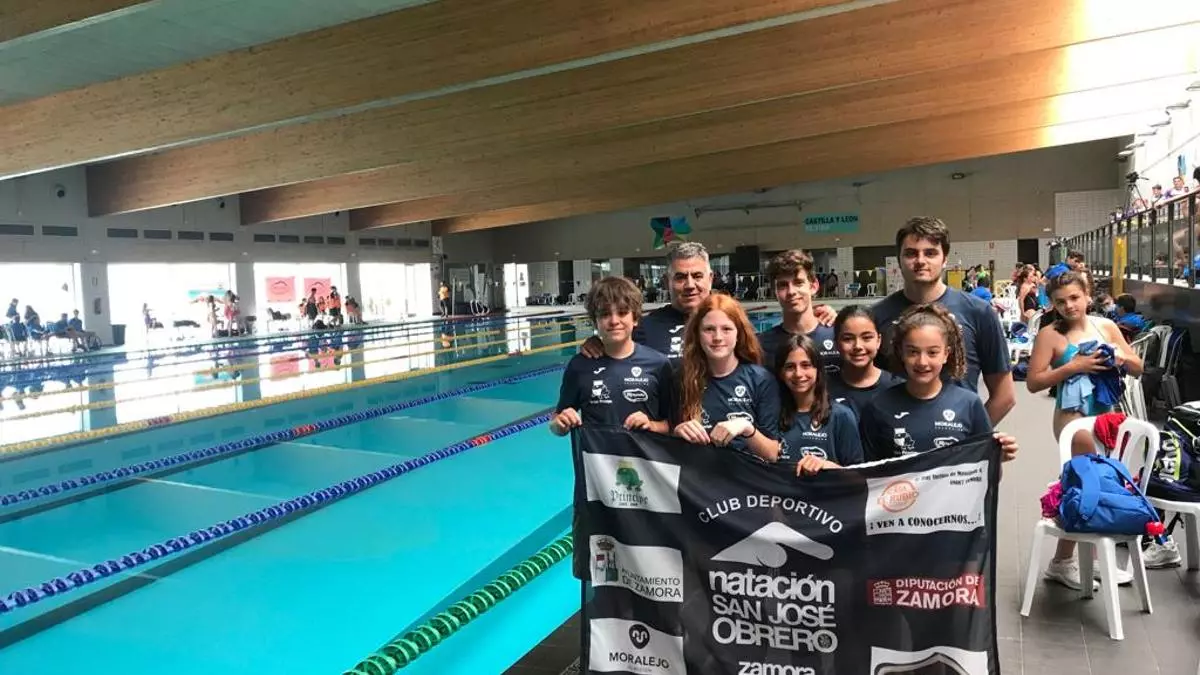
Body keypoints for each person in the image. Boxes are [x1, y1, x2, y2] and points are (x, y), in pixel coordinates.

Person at [1026, 270, 1145, 589]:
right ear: (1052, 304)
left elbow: (1138, 367)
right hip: (1072, 417)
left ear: (1087, 296)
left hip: (1105, 414)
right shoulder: (1050, 334)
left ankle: (1084, 559)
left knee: (1096, 485)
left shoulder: (1106, 327)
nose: (1069, 306)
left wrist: (1119, 357)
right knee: (1086, 485)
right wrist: (1073, 367)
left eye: (1075, 298)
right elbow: (1033, 381)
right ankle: (1066, 561)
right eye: (1060, 302)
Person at [579, 242, 836, 363]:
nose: (690, 284)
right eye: (680, 277)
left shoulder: (732, 320)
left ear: (711, 278)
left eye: (697, 276)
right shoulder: (647, 327)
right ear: (667, 281)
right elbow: (618, 354)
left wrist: (825, 318)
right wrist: (597, 343)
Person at [872, 217, 1015, 424]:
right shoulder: (877, 316)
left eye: (930, 253)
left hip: (955, 439)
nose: (921, 260)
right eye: (911, 253)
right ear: (899, 259)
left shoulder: (978, 312)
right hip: (895, 437)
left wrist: (971, 436)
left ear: (945, 259)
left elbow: (1004, 395)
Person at [860, 304, 1019, 463]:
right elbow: (868, 473)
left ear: (946, 354)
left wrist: (996, 457)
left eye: (932, 352)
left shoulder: (969, 405)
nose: (922, 362)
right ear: (901, 352)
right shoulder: (878, 407)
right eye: (913, 352)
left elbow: (983, 470)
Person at [550, 276, 674, 437]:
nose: (614, 321)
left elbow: (673, 425)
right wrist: (559, 424)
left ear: (635, 318)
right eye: (605, 314)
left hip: (645, 454)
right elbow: (557, 419)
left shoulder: (658, 364)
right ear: (595, 322)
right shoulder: (579, 366)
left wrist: (651, 425)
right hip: (596, 454)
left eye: (622, 313)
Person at [673, 294, 780, 462]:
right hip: (699, 475)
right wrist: (678, 433)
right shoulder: (683, 379)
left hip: (746, 476)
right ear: (697, 334)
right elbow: (669, 441)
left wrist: (747, 429)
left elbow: (772, 454)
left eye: (726, 329)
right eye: (709, 329)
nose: (717, 337)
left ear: (739, 334)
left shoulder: (761, 380)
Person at [774, 334, 863, 475]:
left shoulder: (841, 416)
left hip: (828, 490)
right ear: (781, 373)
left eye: (806, 365)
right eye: (790, 367)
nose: (798, 373)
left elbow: (859, 476)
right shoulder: (772, 414)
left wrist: (827, 465)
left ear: (818, 370)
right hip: (781, 490)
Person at [757, 249, 841, 374]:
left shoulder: (837, 336)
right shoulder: (761, 345)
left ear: (813, 286)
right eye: (783, 285)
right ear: (775, 292)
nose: (791, 291)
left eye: (798, 283)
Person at [826, 305, 899, 418]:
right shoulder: (823, 388)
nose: (858, 346)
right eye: (848, 339)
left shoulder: (897, 388)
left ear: (878, 340)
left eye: (866, 337)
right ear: (836, 343)